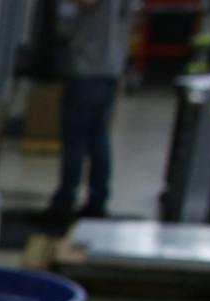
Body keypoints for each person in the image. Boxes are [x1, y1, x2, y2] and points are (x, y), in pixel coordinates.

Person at [48, 0, 137, 226]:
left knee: (76, 140)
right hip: (110, 69)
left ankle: (64, 203)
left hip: (88, 67)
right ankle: (96, 201)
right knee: (99, 138)